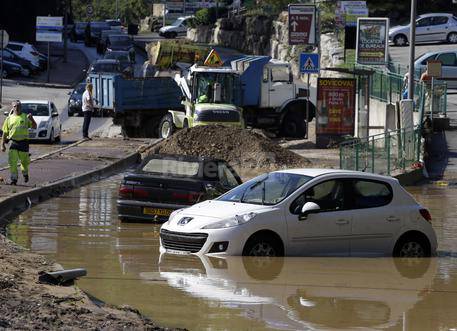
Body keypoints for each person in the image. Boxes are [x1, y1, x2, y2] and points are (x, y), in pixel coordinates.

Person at [1, 100, 37, 185]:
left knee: (24, 162)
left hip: (24, 143)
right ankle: (14, 179)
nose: (17, 108)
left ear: (21, 107)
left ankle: (25, 173)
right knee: (12, 162)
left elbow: (34, 126)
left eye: (18, 106)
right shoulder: (9, 119)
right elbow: (5, 132)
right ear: (12, 108)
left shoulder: (25, 117)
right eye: (15, 106)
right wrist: (2, 144)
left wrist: (32, 119)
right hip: (13, 143)